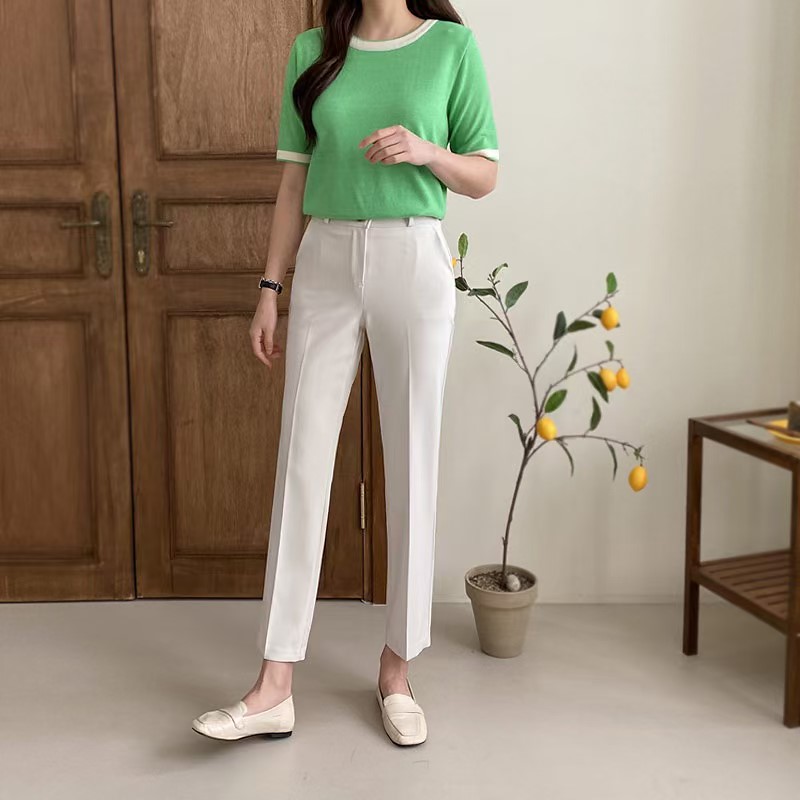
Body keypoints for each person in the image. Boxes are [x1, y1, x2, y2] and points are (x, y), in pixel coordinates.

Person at [192, 0, 499, 747]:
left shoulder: (451, 47)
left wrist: (426, 152)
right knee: (301, 459)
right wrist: (270, 287)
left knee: (412, 459)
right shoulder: (313, 50)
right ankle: (274, 684)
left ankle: (398, 670)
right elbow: (292, 184)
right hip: (326, 256)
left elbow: (485, 174)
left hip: (413, 253)